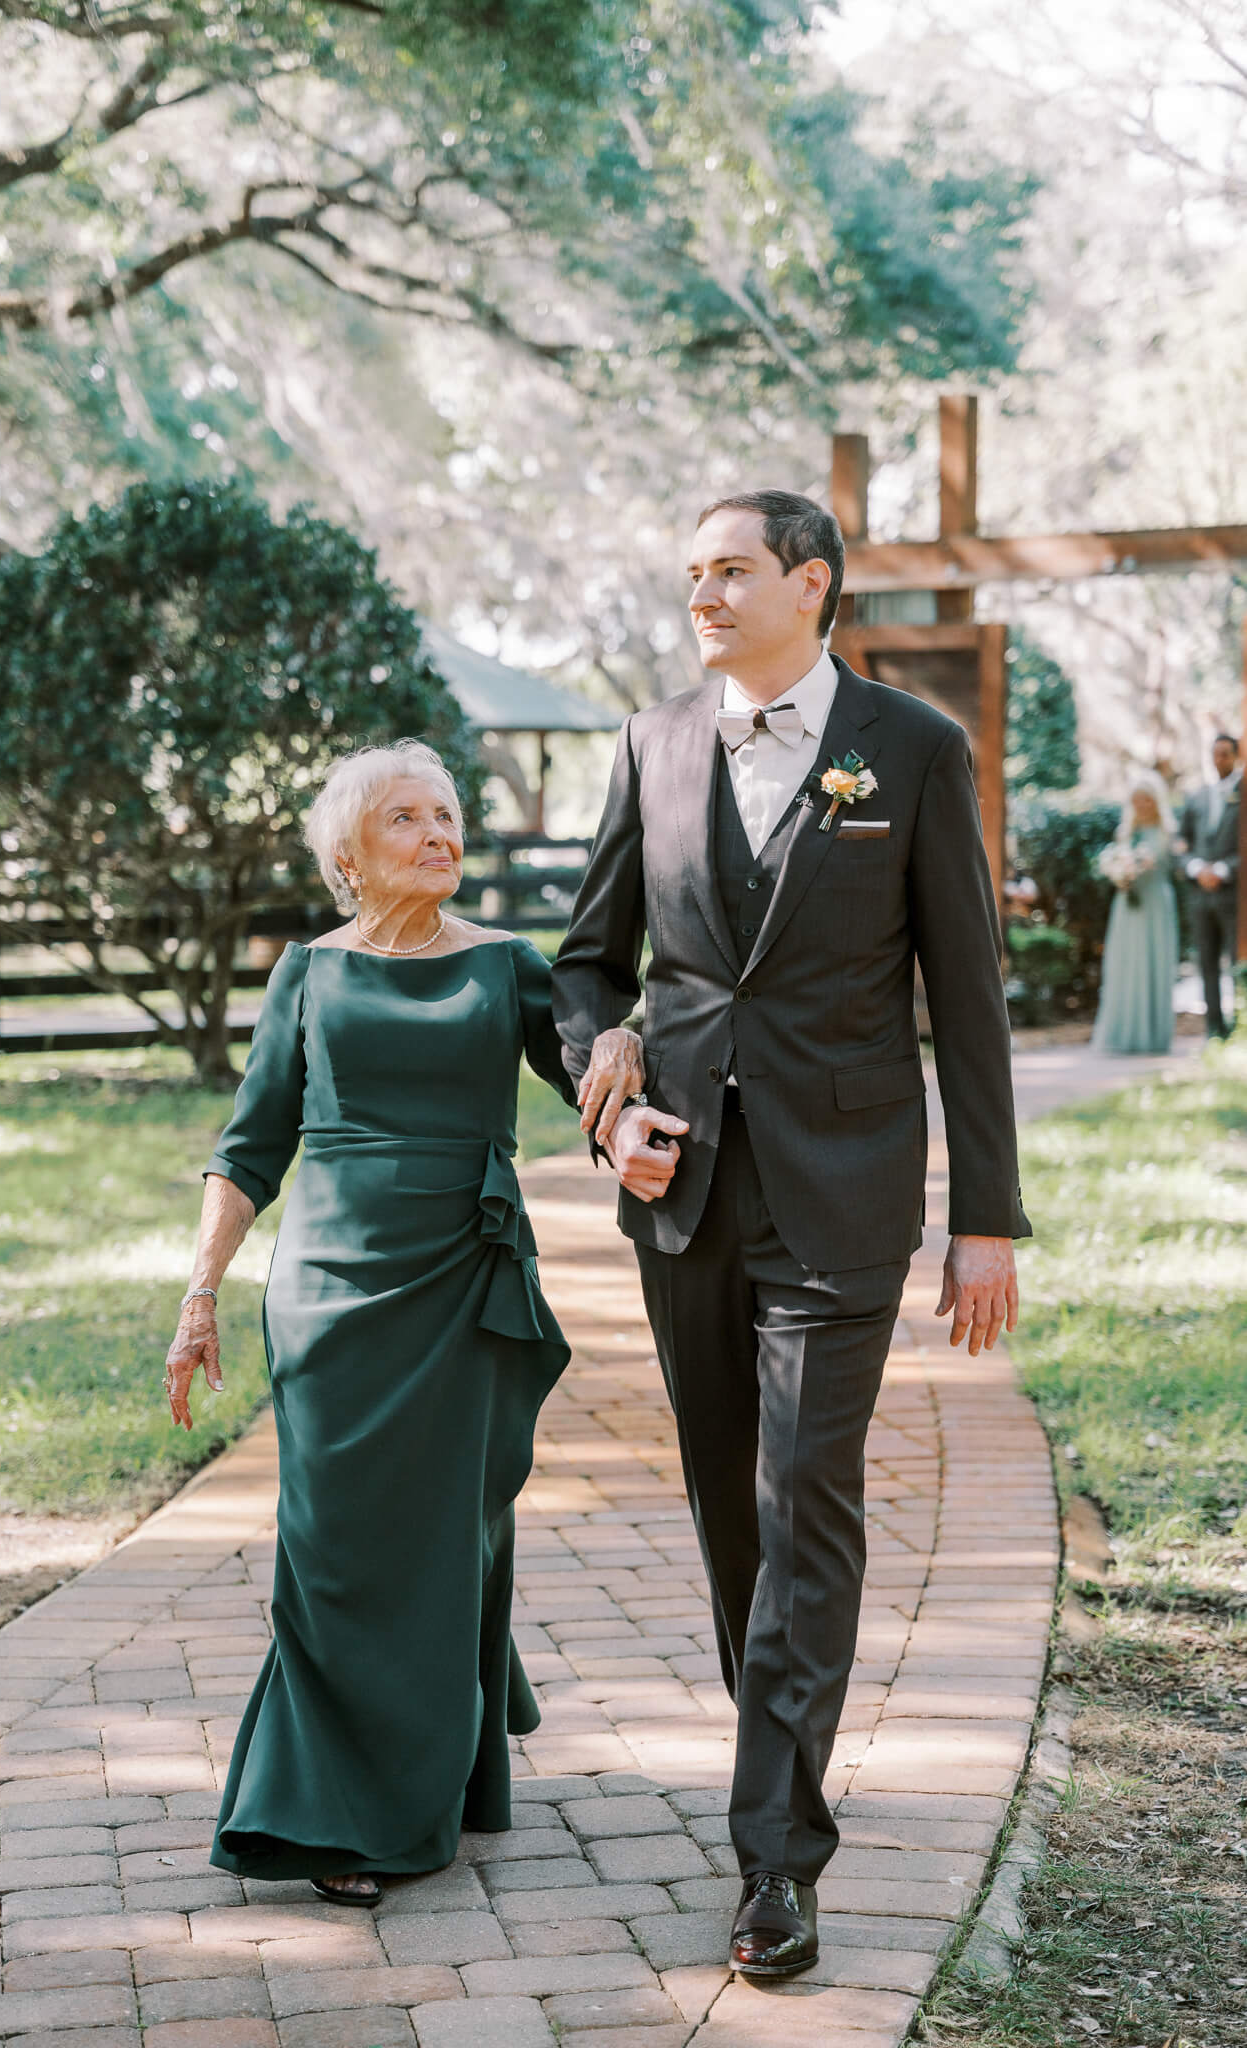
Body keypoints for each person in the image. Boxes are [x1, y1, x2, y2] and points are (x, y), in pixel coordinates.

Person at [552, 490, 1030, 1980]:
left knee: (805, 1490)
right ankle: (781, 1781)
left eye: (730, 571)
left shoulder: (911, 751)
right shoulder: (651, 742)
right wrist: (603, 1105)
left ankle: (774, 1860)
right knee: (728, 1509)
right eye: (689, 573)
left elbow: (966, 996)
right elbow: (585, 966)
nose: (701, 595)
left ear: (808, 584)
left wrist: (985, 1219)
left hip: (843, 1185)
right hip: (682, 1188)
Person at [164, 740, 635, 1906]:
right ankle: (334, 1797)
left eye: (447, 814)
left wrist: (625, 1043)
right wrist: (198, 1292)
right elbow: (247, 1144)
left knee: (442, 1536)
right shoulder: (308, 975)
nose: (439, 834)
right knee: (332, 1545)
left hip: (460, 1287)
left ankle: (416, 1790)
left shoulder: (506, 966)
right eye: (407, 819)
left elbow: (593, 1074)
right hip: (327, 1289)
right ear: (349, 851)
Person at [1092, 775, 1179, 1055]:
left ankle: (1153, 1037)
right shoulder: (1125, 832)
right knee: (1125, 965)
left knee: (1154, 963)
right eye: (1137, 799)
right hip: (1127, 907)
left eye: (1147, 799)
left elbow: (1175, 867)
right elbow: (1116, 861)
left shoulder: (1168, 831)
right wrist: (1122, 875)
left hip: (1156, 904)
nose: (1142, 804)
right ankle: (1122, 1033)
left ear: (1156, 800)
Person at [1179, 732, 1240, 1039]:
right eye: (1215, 754)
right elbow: (1182, 843)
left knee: (1238, 961)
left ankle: (1240, 1025)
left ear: (1237, 756)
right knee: (1207, 963)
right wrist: (1195, 867)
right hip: (1200, 895)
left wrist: (1223, 869)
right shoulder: (1198, 796)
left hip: (1235, 896)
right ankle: (1215, 1031)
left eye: (1225, 754)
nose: (1219, 760)